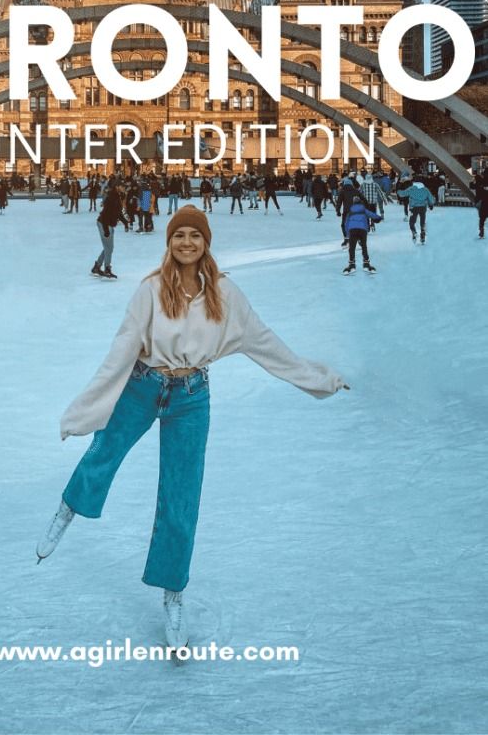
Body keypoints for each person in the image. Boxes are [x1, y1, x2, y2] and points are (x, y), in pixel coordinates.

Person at [37, 207, 348, 650]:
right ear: (169, 242)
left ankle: (173, 595)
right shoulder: (150, 290)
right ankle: (67, 510)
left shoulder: (225, 294)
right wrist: (82, 410)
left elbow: (265, 342)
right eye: (178, 235)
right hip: (143, 386)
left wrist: (320, 379)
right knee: (104, 451)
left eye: (195, 236)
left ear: (206, 243)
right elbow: (121, 350)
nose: (186, 242)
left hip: (191, 397)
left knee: (181, 494)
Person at [91, 177, 130, 279]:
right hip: (104, 223)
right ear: (117, 187)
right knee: (109, 248)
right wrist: (106, 230)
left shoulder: (117, 196)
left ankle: (97, 267)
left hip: (108, 224)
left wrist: (125, 222)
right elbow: (105, 214)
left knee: (109, 248)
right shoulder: (112, 197)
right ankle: (107, 268)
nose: (124, 188)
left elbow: (118, 212)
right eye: (122, 187)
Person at [342, 195, 382, 273]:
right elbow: (372, 214)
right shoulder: (363, 209)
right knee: (364, 246)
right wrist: (379, 218)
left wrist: (347, 235)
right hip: (362, 229)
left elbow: (346, 223)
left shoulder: (350, 210)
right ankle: (366, 264)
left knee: (352, 248)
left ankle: (352, 265)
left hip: (352, 229)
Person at [398, 175, 434, 244]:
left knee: (412, 222)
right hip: (423, 207)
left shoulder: (411, 189)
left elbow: (402, 194)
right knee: (422, 221)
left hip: (413, 208)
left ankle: (414, 232)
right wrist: (431, 204)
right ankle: (422, 233)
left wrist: (399, 190)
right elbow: (431, 198)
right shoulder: (425, 189)